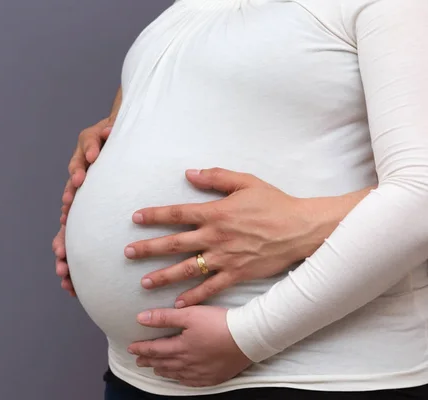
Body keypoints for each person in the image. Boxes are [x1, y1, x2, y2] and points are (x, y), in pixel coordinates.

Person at [52, 0, 428, 398]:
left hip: (312, 374)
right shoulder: (186, 10)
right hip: (138, 375)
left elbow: (421, 193)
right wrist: (90, 206)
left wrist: (250, 336)